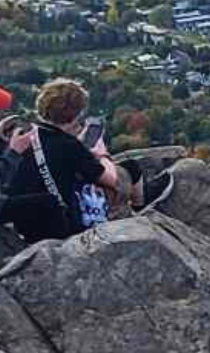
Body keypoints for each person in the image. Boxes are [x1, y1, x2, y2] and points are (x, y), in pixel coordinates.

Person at [0, 79, 129, 245]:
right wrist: (102, 154)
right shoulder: (67, 145)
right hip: (55, 229)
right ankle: (139, 214)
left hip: (24, 221)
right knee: (126, 173)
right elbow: (111, 180)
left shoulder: (23, 137)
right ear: (76, 115)